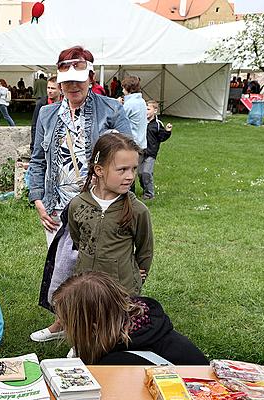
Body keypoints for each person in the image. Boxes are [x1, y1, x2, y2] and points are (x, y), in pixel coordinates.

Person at [28, 45, 131, 343]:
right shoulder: (47, 114)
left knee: (93, 271)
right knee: (64, 270)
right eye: (67, 80)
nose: (73, 86)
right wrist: (38, 201)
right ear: (59, 82)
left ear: (90, 77)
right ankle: (63, 322)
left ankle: (92, 332)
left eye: (78, 79)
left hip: (99, 205)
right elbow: (37, 159)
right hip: (57, 206)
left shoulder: (111, 109)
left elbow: (129, 154)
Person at [52, 272, 209, 365]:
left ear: (92, 326)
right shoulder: (143, 324)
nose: (61, 324)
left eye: (66, 322)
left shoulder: (119, 361)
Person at [68, 133, 153, 296]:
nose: (130, 176)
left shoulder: (138, 211)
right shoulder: (77, 205)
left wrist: (135, 275)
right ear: (99, 170)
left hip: (121, 291)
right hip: (85, 288)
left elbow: (145, 250)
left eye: (134, 169)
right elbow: (78, 240)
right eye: (122, 170)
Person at [140, 101, 173, 200]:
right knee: (140, 173)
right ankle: (144, 188)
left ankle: (149, 194)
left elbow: (161, 137)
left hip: (151, 152)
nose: (146, 111)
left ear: (155, 111)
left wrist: (167, 131)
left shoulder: (157, 124)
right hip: (140, 151)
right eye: (145, 109)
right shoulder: (140, 122)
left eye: (148, 109)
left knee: (146, 172)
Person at [29, 76, 61, 156]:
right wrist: (33, 147)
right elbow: (34, 126)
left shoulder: (65, 104)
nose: (49, 91)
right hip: (44, 143)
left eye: (53, 88)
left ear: (60, 89)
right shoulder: (41, 104)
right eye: (48, 88)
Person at [120, 76, 148, 155]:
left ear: (128, 88)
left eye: (124, 88)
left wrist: (118, 105)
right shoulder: (141, 101)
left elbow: (118, 118)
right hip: (141, 141)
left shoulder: (130, 103)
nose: (122, 90)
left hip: (132, 143)